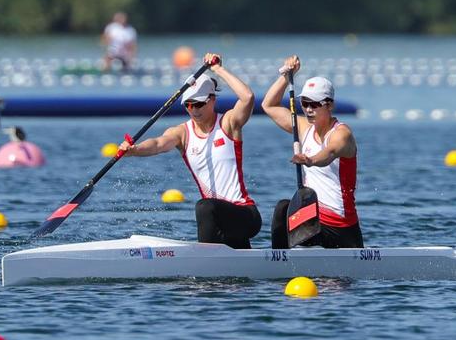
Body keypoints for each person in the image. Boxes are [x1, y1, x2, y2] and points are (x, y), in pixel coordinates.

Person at [118, 53, 261, 249]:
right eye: (189, 105)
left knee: (204, 206)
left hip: (245, 215)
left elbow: (247, 97)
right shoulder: (182, 133)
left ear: (212, 100)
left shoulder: (228, 123)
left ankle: (205, 267)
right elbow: (159, 143)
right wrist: (134, 150)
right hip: (219, 222)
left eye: (199, 104)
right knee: (210, 212)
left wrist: (218, 69)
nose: (194, 110)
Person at [262, 55, 364, 248]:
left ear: (330, 105)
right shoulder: (303, 128)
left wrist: (309, 159)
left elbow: (329, 154)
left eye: (315, 104)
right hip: (314, 218)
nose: (308, 109)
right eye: (305, 103)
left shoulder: (342, 134)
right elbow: (269, 105)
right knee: (283, 208)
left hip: (340, 227)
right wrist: (286, 75)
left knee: (286, 209)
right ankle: (280, 263)